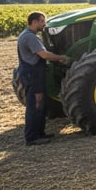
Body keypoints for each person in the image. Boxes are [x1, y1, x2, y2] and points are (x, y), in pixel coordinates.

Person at [17, 12, 68, 146]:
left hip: (33, 73)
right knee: (35, 105)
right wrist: (61, 58)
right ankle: (32, 137)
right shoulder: (30, 37)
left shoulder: (27, 35)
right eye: (42, 21)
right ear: (34, 22)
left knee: (40, 105)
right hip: (32, 74)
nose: (44, 24)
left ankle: (40, 133)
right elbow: (44, 55)